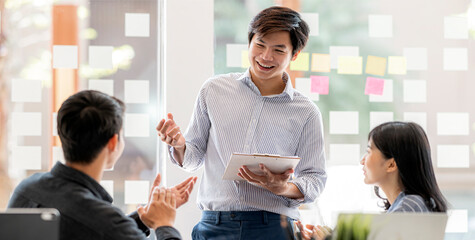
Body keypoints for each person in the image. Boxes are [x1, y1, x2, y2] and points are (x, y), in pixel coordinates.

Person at [157, 6, 326, 240]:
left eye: (278, 50)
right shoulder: (214, 90)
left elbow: (315, 178)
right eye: (260, 44)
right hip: (213, 225)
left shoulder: (306, 112)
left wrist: (282, 188)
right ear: (249, 42)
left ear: (294, 55)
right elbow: (193, 157)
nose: (266, 56)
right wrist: (178, 144)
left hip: (274, 227)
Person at [8, 90, 197, 240]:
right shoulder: (106, 222)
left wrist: (143, 219)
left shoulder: (27, 188)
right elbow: (101, 226)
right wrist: (164, 224)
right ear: (113, 143)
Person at [297, 121, 448, 240]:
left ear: (391, 164)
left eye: (369, 151)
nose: (362, 160)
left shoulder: (410, 206)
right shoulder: (406, 205)